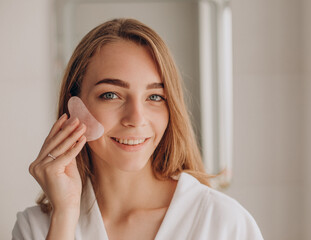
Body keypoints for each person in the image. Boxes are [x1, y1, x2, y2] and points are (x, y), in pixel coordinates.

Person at [12, 18, 263, 240]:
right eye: (111, 95)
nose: (136, 118)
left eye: (154, 97)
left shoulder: (225, 224)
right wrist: (65, 215)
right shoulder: (36, 228)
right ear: (74, 105)